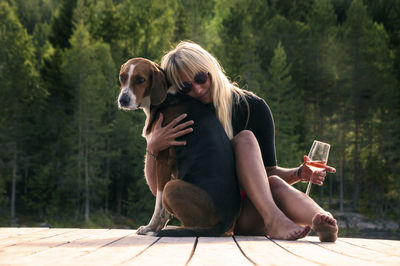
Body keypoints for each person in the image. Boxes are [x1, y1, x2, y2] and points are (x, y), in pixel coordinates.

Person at [144, 41, 338, 242]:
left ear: (211, 69)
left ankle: (322, 221)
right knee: (263, 168)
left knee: (269, 175)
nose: (198, 88)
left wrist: (299, 173)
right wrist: (153, 147)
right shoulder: (183, 118)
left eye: (201, 78)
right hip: (212, 213)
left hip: (251, 210)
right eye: (186, 87)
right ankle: (278, 220)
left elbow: (267, 172)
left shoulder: (252, 107)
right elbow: (157, 188)